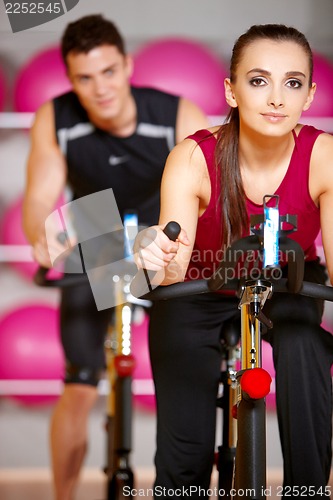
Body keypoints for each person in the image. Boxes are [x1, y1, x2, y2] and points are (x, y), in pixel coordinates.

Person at [134, 24, 333, 498]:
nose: (276, 99)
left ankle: (307, 491)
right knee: (185, 459)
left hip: (289, 284)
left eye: (292, 83)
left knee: (305, 343)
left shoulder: (324, 155)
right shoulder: (193, 157)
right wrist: (153, 252)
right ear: (232, 90)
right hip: (198, 290)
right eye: (259, 80)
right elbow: (173, 269)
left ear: (309, 96)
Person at [22, 14, 209, 500]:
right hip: (99, 235)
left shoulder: (175, 112)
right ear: (70, 80)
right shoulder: (56, 117)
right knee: (81, 385)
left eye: (108, 72)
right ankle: (63, 495)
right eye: (84, 77)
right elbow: (40, 200)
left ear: (127, 66)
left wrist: (172, 252)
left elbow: (207, 198)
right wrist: (44, 236)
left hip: (165, 238)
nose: (99, 88)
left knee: (182, 380)